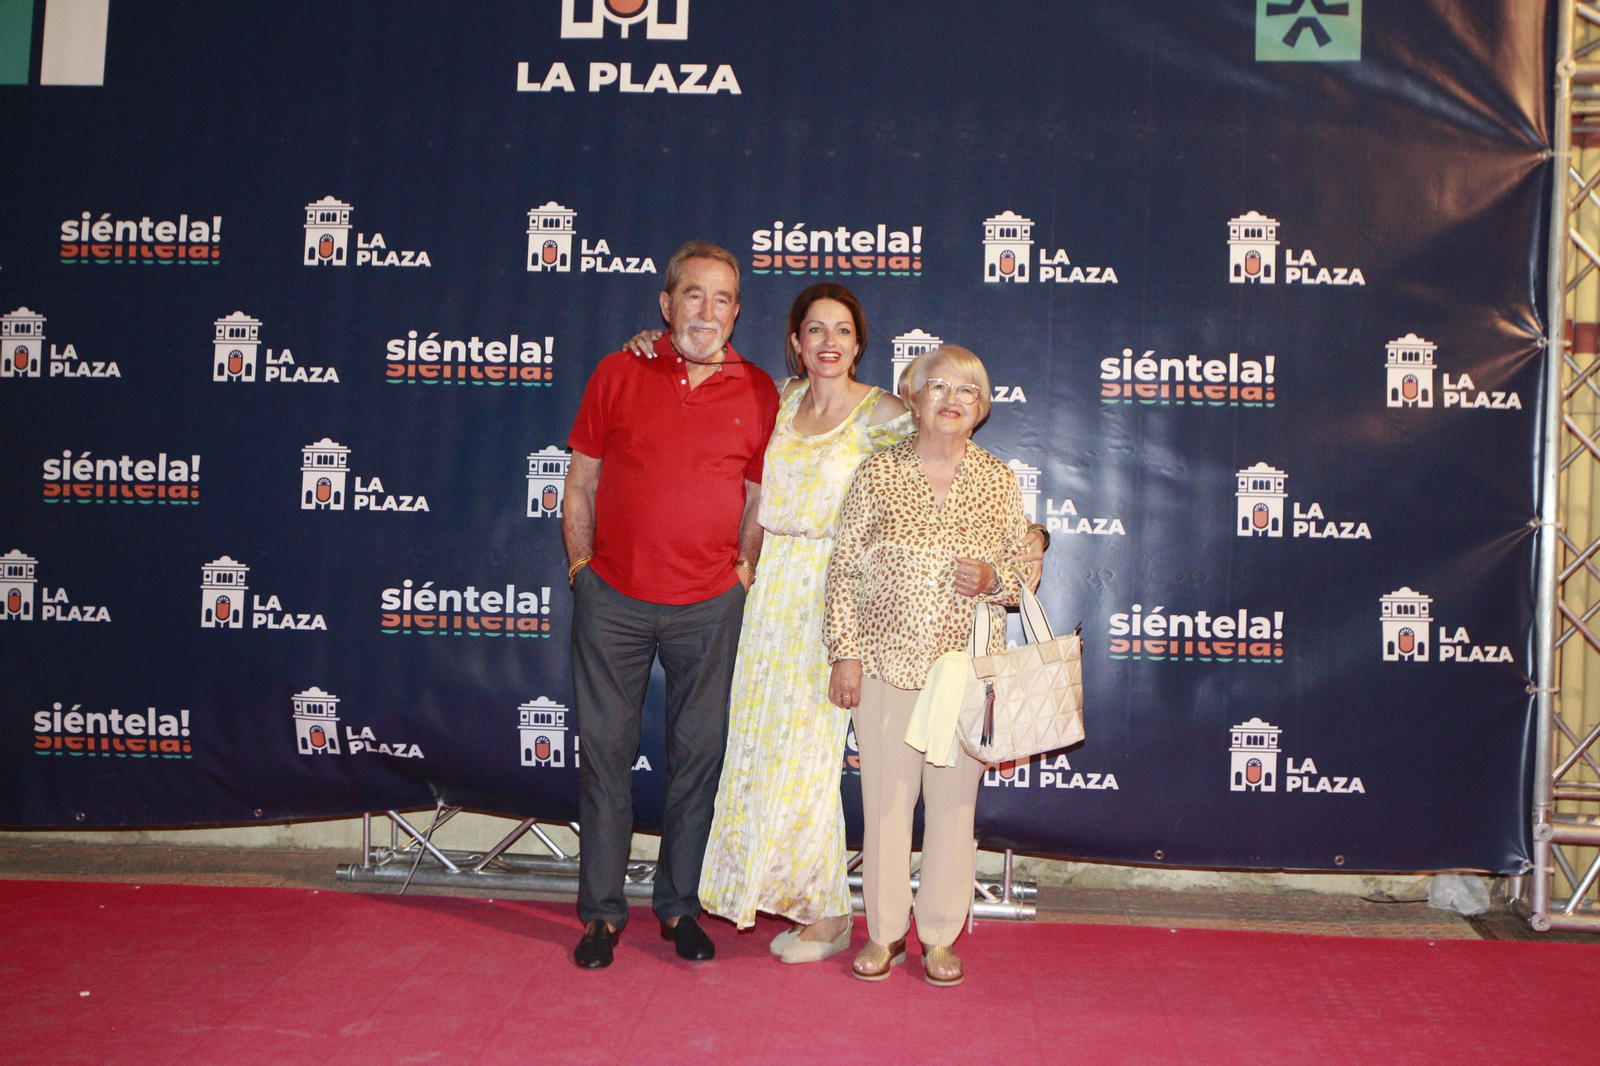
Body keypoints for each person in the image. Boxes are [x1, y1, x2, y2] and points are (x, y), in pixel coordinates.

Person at [621, 291, 1048, 964]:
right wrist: (661, 338)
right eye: (815, 329)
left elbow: (981, 494)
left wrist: (1026, 547)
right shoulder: (779, 399)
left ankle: (870, 925)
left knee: (860, 779)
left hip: (903, 630)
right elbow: (708, 370)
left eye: (842, 330)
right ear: (794, 341)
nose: (828, 341)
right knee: (777, 759)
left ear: (860, 344)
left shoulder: (891, 417)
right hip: (781, 607)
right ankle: (825, 911)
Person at [562, 241, 779, 970]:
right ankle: (600, 917)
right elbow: (580, 483)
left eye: (723, 299)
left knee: (697, 760)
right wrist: (581, 568)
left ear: (737, 311)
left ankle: (680, 907)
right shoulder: (618, 371)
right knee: (605, 759)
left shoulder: (758, 391)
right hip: (612, 599)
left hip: (709, 605)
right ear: (666, 303)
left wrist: (744, 570)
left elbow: (758, 497)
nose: (707, 312)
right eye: (693, 296)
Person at [824, 344, 1028, 987]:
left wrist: (996, 577)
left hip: (963, 673)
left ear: (981, 407)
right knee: (885, 805)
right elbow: (843, 575)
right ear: (911, 398)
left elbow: (1021, 582)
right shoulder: (878, 474)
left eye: (965, 391)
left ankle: (939, 936)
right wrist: (846, 656)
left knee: (952, 810)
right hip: (886, 666)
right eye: (936, 387)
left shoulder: (998, 479)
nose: (951, 400)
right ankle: (882, 936)